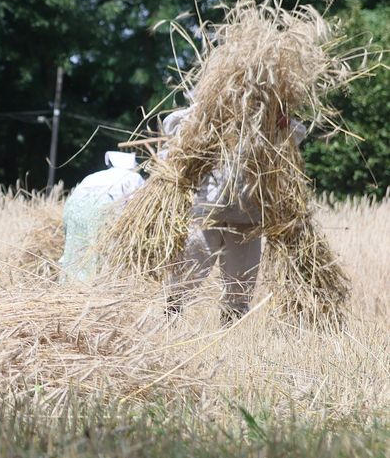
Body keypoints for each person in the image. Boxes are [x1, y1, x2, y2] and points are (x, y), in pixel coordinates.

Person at [163, 107, 307, 324]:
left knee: (240, 282)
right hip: (208, 210)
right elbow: (171, 126)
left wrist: (281, 121)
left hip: (248, 214)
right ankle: (171, 319)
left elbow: (298, 135)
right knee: (190, 267)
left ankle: (230, 333)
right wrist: (204, 111)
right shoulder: (211, 104)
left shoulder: (266, 111)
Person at [60, 151, 146, 282]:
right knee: (100, 248)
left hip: (73, 207)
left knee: (77, 247)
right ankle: (96, 283)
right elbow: (138, 205)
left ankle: (72, 284)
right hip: (101, 208)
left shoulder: (94, 175)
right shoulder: (133, 177)